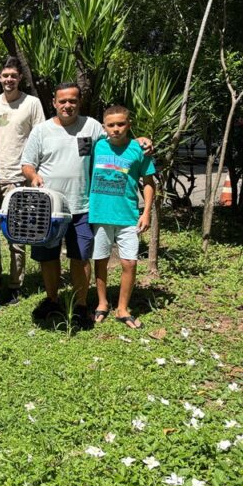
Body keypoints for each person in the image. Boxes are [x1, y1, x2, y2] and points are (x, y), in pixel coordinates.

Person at [21, 83, 152, 328]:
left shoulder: (92, 126)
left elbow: (118, 138)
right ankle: (52, 300)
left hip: (82, 206)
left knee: (80, 257)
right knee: (48, 257)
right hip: (48, 208)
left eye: (72, 101)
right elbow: (27, 163)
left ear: (79, 102)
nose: (67, 105)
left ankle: (81, 304)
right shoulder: (41, 131)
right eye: (62, 101)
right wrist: (33, 176)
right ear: (54, 103)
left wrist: (140, 140)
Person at [0, 56, 45, 304]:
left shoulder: (32, 104)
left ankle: (16, 285)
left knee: (16, 236)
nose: (9, 79)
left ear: (20, 78)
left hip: (18, 179)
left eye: (13, 76)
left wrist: (35, 175)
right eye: (5, 75)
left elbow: (40, 137)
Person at [90, 106, 156, 329]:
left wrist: (146, 212)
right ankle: (102, 303)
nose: (116, 129)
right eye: (111, 125)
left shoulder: (138, 150)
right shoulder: (97, 146)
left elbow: (148, 184)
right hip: (100, 214)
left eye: (121, 124)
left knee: (129, 262)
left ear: (129, 124)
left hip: (128, 216)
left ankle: (122, 308)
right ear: (104, 127)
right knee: (100, 259)